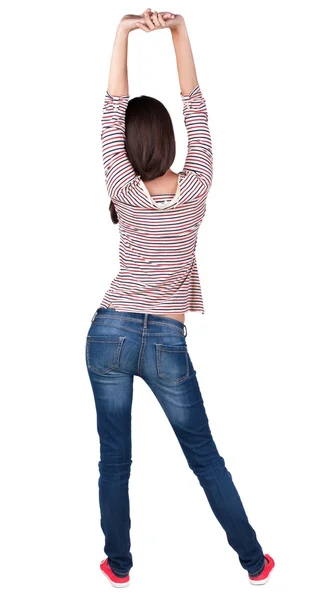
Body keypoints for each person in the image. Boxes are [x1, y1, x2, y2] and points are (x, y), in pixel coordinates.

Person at [85, 8, 275, 588]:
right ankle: (254, 563)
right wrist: (178, 31)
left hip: (109, 332)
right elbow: (196, 106)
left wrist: (121, 33)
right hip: (165, 341)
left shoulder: (123, 185)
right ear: (169, 139)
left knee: (115, 460)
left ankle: (118, 567)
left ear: (124, 143)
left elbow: (110, 111)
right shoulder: (196, 185)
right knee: (205, 458)